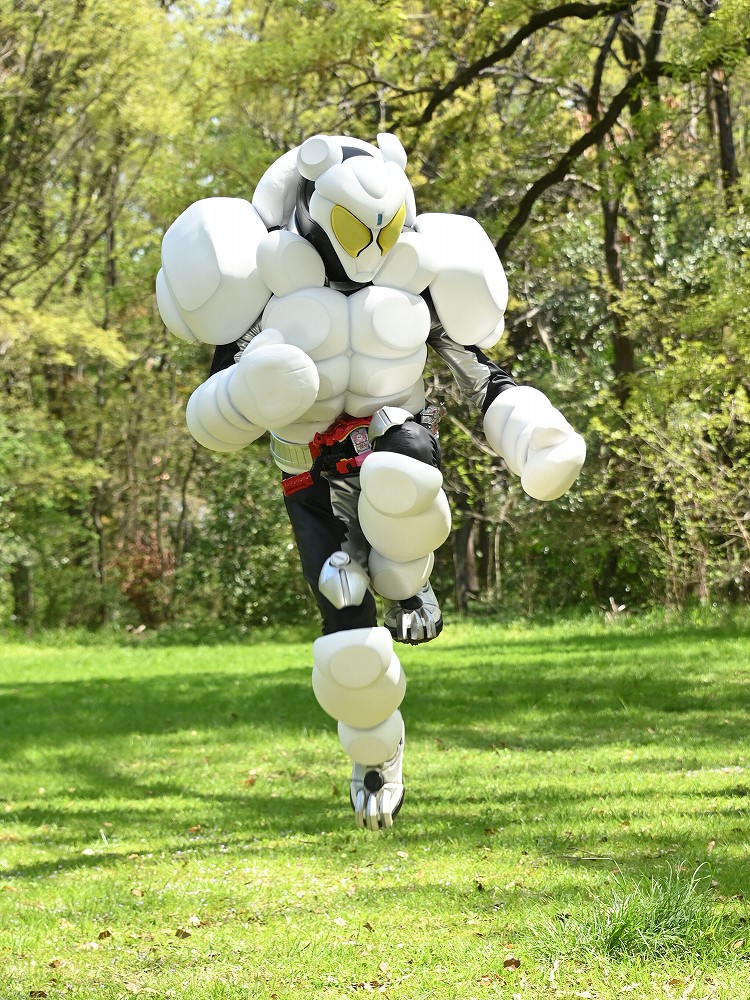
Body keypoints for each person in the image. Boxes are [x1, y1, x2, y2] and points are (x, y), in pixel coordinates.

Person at [156, 132, 585, 830]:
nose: (370, 249)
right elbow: (211, 410)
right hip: (309, 472)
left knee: (400, 471)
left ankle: (408, 581)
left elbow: (484, 379)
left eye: (383, 232)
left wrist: (534, 436)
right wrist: (249, 393)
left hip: (393, 440)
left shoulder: (418, 284)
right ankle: (376, 757)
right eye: (357, 231)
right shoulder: (263, 290)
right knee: (346, 624)